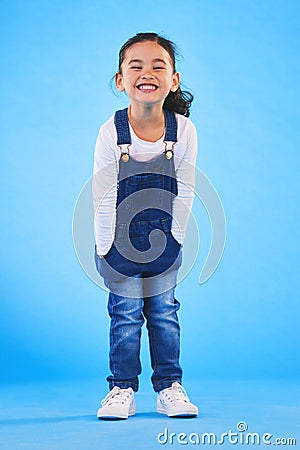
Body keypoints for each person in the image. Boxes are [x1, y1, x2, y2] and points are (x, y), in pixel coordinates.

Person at [93, 32, 198, 420]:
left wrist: (177, 240)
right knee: (124, 314)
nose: (146, 72)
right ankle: (121, 389)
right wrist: (105, 249)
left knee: (164, 313)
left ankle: (169, 386)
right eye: (135, 66)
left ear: (173, 80)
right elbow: (102, 194)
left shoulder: (183, 132)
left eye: (158, 65)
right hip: (118, 243)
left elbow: (185, 189)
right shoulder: (112, 132)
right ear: (121, 80)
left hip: (164, 240)